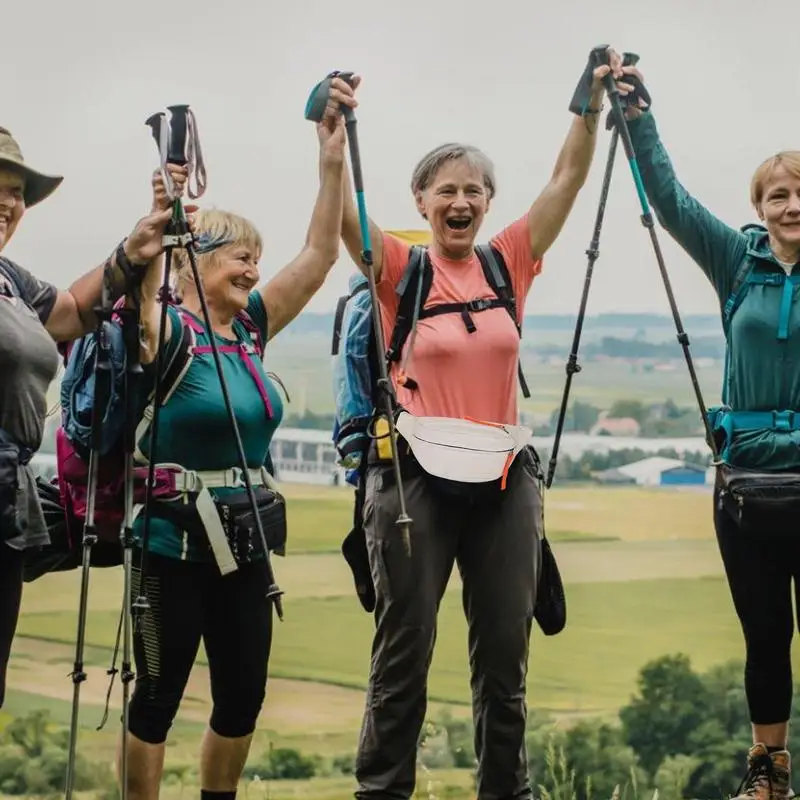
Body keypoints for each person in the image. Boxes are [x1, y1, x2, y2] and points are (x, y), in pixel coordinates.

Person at [326, 50, 634, 799]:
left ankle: (507, 791)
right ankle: (383, 791)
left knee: (506, 654)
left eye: (474, 191)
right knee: (405, 652)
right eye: (446, 191)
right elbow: (343, 221)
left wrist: (586, 104)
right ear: (422, 200)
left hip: (503, 477)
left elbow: (566, 180)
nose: (460, 202)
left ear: (490, 202)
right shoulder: (400, 269)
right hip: (413, 477)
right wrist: (332, 143)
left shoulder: (508, 264)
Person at [120, 97, 348, 800]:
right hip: (169, 545)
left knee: (243, 697)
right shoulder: (171, 333)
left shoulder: (248, 330)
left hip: (243, 543)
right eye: (242, 257)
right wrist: (162, 217)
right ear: (195, 263)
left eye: (257, 259)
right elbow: (144, 296)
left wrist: (330, 159)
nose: (255, 269)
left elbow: (320, 254)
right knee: (157, 700)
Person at [621, 61, 799, 798]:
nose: (793, 205)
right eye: (779, 194)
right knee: (766, 637)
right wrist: (638, 119)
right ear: (758, 206)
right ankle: (769, 773)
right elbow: (670, 200)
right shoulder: (738, 261)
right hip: (749, 485)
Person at [0, 125, 185, 711]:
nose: (8, 204)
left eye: (16, 193)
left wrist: (139, 246)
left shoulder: (10, 281)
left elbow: (77, 311)